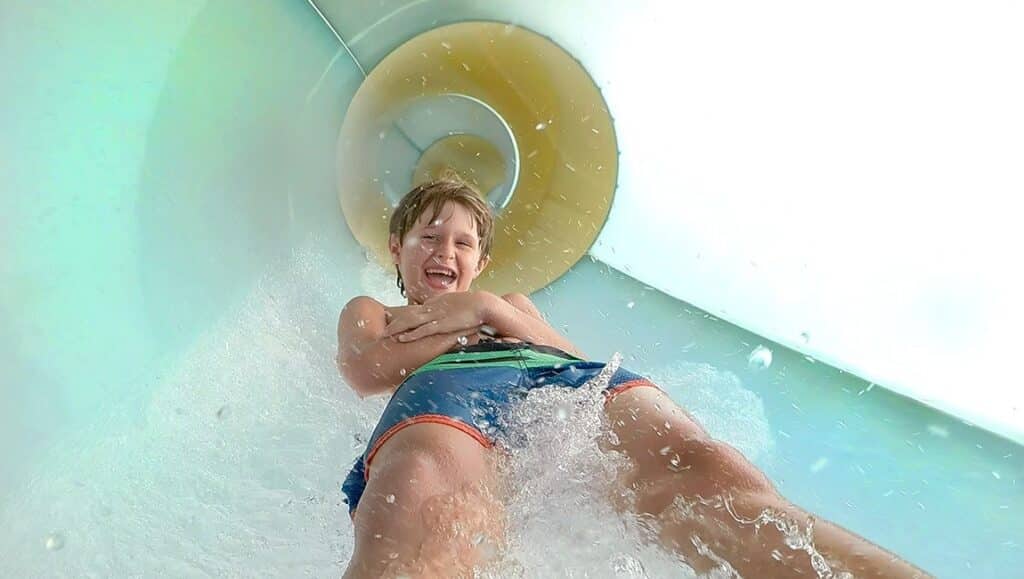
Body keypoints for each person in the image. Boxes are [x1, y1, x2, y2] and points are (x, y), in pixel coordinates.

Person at [336, 179, 929, 578]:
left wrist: (488, 308)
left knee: (705, 471)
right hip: (448, 394)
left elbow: (574, 360)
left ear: (481, 263)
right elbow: (366, 369)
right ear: (397, 248)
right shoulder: (375, 311)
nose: (445, 251)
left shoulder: (509, 303)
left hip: (558, 382)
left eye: (463, 243)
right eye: (429, 237)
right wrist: (468, 327)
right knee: (427, 495)